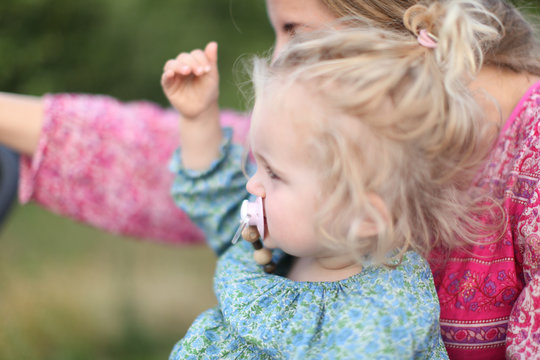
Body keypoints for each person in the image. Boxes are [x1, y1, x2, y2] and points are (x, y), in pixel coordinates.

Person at [0, 0, 539, 358]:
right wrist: (199, 123)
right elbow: (220, 201)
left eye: (294, 30)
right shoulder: (292, 233)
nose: (282, 55)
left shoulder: (377, 324)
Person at [160, 0, 509, 358]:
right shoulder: (286, 244)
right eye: (259, 165)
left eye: (274, 173)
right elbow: (222, 211)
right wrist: (199, 119)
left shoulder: (378, 323)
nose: (253, 184)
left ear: (364, 218)